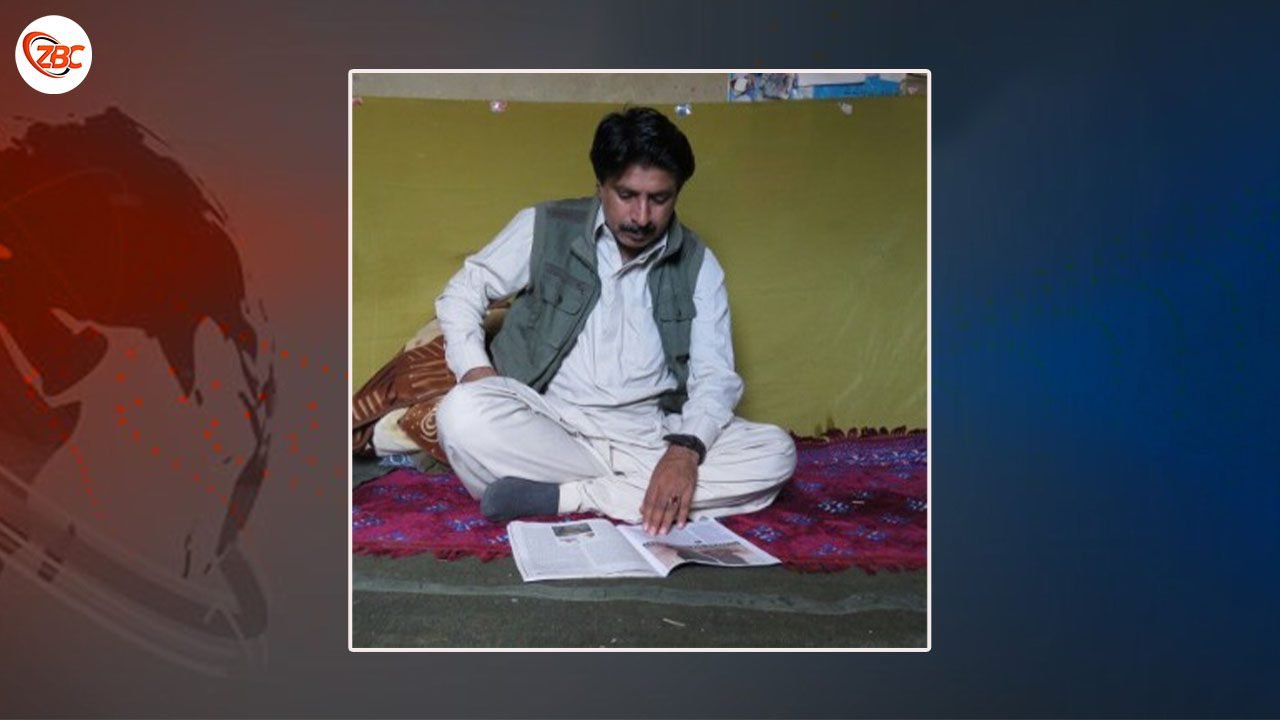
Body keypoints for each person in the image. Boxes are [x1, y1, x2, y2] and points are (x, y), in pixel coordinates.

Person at [432, 106, 795, 535]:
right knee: (460, 414)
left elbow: (715, 376)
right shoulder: (545, 226)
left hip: (652, 438)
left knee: (776, 453)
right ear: (600, 187)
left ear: (677, 193)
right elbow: (463, 291)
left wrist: (683, 453)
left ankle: (571, 497)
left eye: (659, 199)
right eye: (627, 195)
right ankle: (636, 492)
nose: (641, 217)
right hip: (552, 428)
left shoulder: (699, 263)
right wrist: (476, 371)